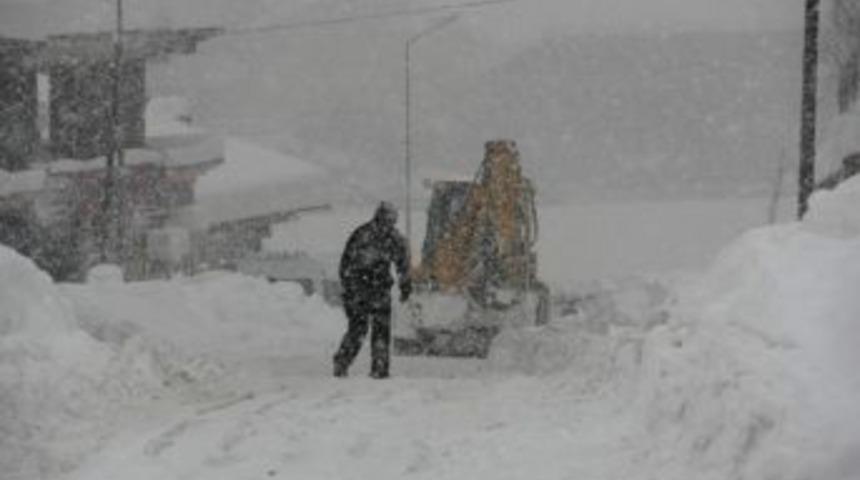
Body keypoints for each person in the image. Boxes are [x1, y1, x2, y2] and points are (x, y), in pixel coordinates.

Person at [333, 202, 411, 378]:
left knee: (380, 330)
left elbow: (403, 264)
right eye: (386, 219)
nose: (388, 224)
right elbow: (346, 264)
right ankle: (342, 362)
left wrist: (405, 285)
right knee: (359, 329)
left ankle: (379, 368)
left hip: (378, 289)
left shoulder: (391, 238)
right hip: (360, 289)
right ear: (379, 217)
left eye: (391, 221)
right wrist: (350, 288)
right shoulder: (363, 235)